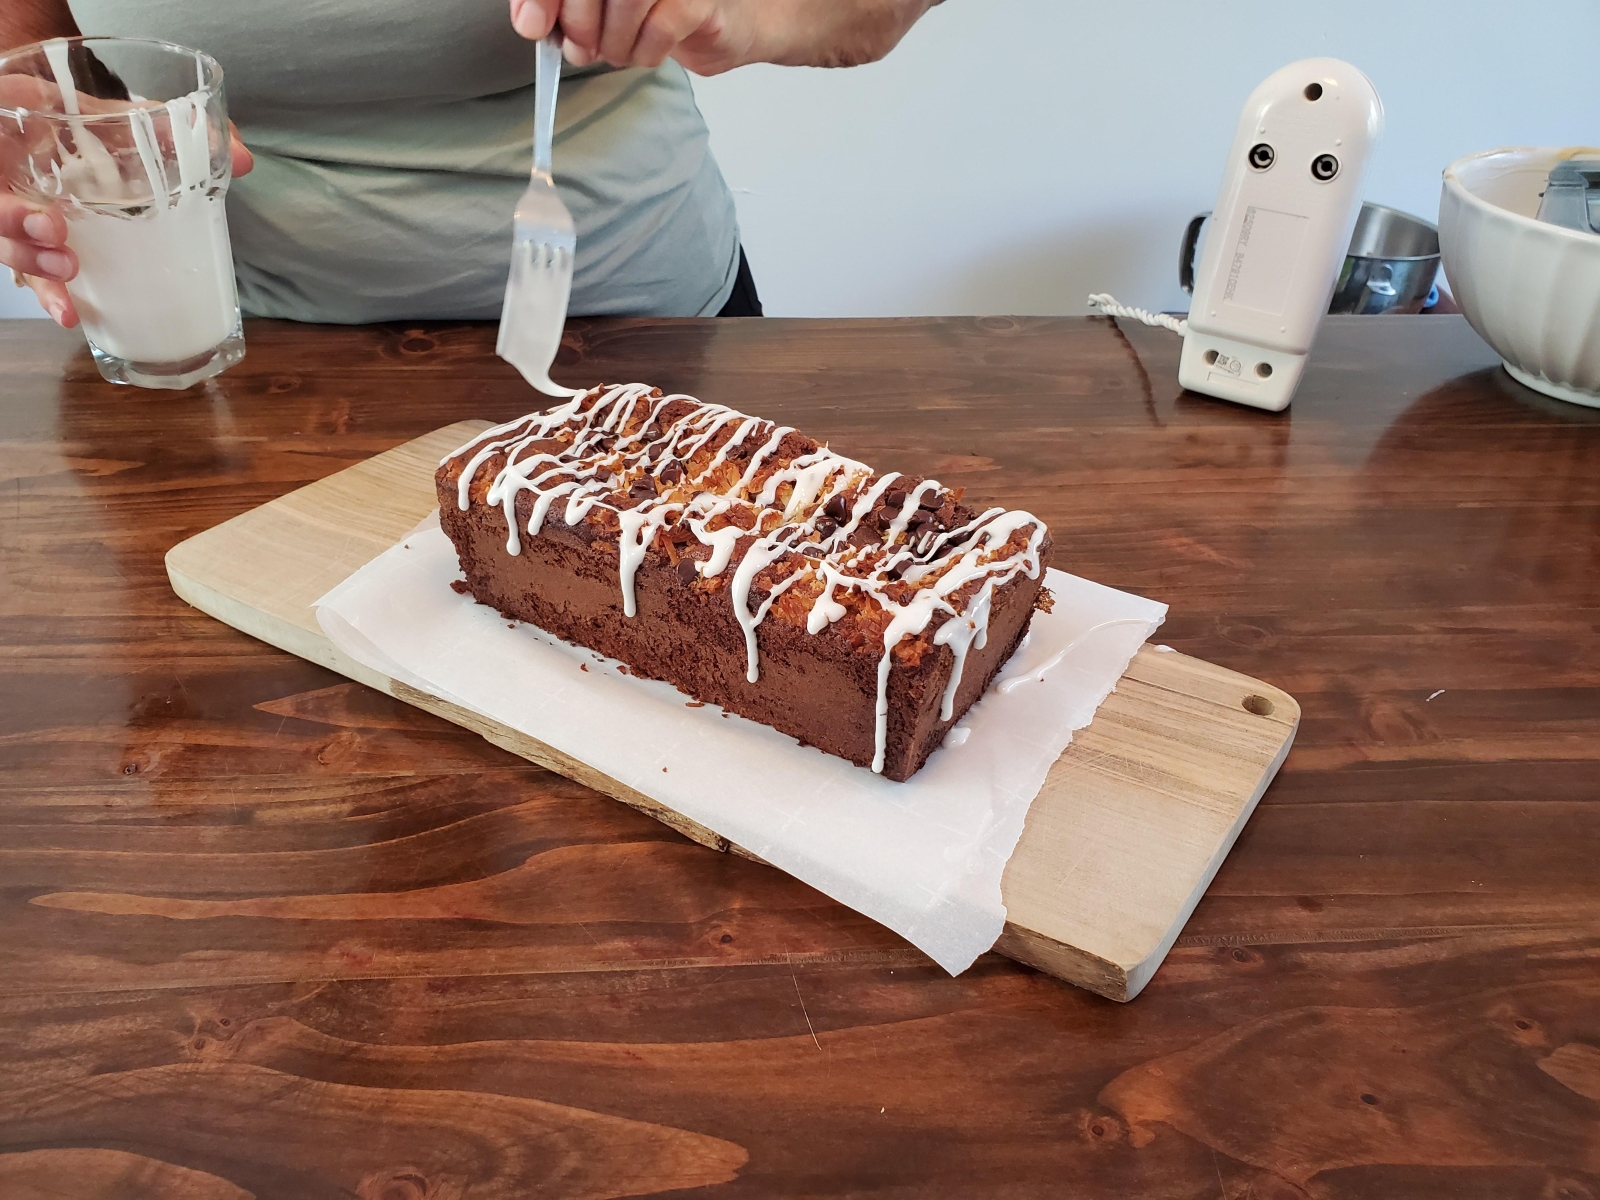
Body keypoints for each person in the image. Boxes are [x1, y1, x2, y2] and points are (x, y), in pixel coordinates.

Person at [1, 0, 940, 328]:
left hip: (647, 337)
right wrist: (31, 124)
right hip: (222, 351)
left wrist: (743, 7)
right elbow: (28, 46)